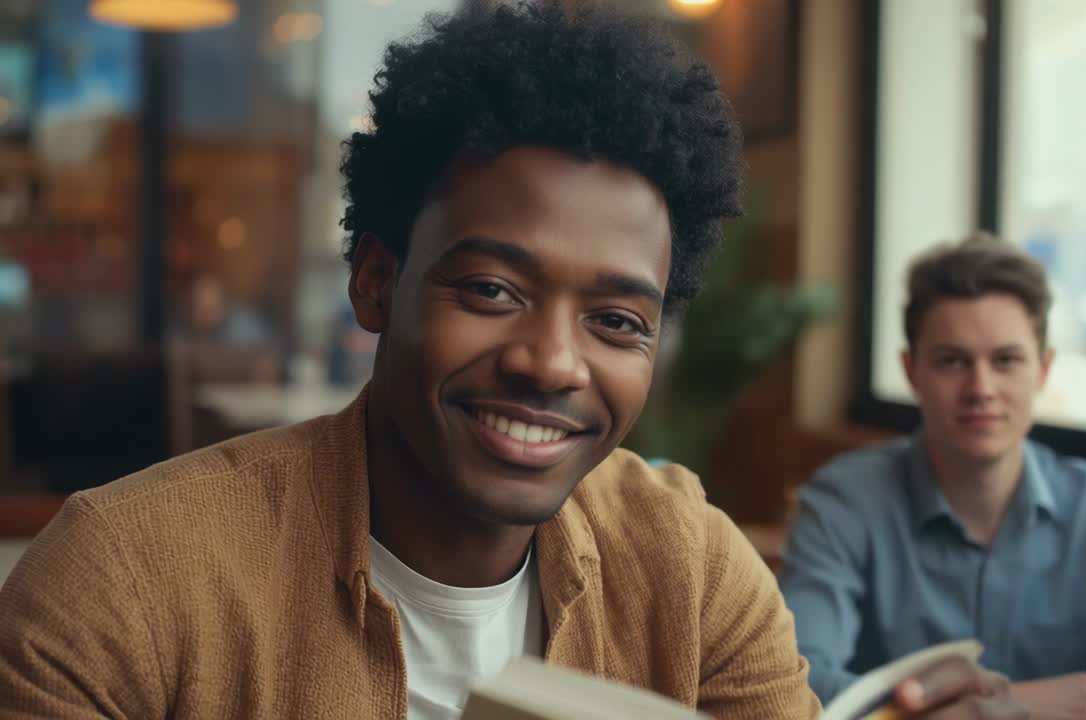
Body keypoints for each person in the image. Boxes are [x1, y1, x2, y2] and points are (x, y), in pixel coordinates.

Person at [0, 5, 1024, 719]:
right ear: (375, 281)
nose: (551, 362)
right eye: (490, 291)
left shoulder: (692, 573)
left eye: (617, 322)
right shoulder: (119, 583)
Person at [780, 233, 1086, 719]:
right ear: (911, 371)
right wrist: (1008, 707)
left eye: (1006, 360)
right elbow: (794, 682)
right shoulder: (841, 500)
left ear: (1043, 370)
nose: (981, 389)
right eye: (952, 361)